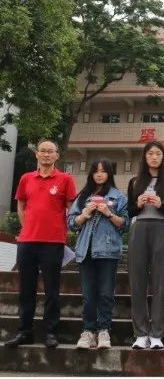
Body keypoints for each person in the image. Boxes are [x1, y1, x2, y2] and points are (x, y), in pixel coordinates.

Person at [5, 139, 77, 349]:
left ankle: (51, 332)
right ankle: (24, 331)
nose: (46, 154)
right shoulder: (26, 178)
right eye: (43, 151)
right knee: (26, 289)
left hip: (53, 242)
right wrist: (26, 227)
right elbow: (21, 205)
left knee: (51, 290)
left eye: (50, 151)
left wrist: (63, 230)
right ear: (36, 154)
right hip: (27, 242)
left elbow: (71, 209)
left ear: (57, 155)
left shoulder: (65, 179)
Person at [67, 159, 129, 349]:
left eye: (103, 171)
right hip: (85, 250)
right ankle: (88, 331)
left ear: (109, 174)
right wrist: (85, 213)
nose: (99, 174)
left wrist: (108, 213)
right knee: (88, 294)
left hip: (108, 251)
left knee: (105, 293)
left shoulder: (118, 196)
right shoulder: (83, 196)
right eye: (96, 171)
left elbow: (125, 224)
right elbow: (71, 223)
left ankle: (103, 330)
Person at [127, 140, 164, 349]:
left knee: (161, 282)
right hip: (139, 228)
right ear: (144, 157)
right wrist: (138, 204)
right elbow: (129, 211)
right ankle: (140, 333)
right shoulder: (135, 182)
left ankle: (157, 333)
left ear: (163, 157)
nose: (154, 157)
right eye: (150, 154)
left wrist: (161, 204)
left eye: (158, 153)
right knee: (137, 281)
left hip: (161, 229)